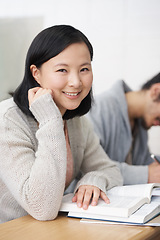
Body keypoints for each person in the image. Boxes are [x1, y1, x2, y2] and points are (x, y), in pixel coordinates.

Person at [0, 25, 123, 223]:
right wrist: (50, 121)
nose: (75, 82)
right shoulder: (7, 121)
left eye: (84, 69)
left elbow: (110, 170)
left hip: (49, 230)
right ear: (36, 73)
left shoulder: (76, 121)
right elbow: (42, 208)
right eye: (62, 70)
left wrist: (93, 180)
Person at [87, 73, 160, 185]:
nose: (158, 124)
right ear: (156, 91)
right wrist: (147, 174)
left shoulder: (141, 123)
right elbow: (89, 166)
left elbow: (144, 163)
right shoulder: (100, 108)